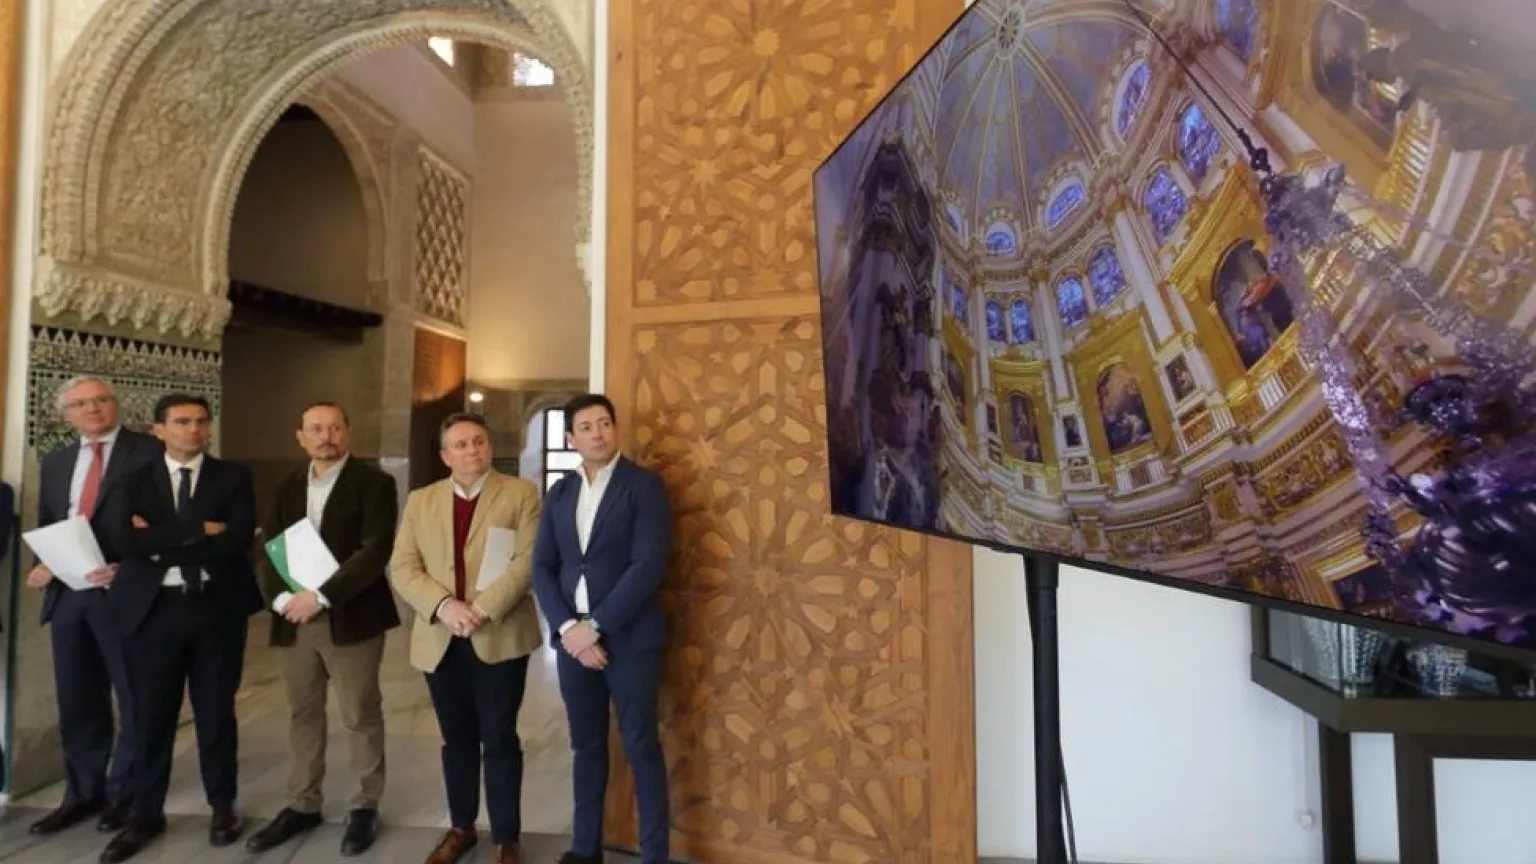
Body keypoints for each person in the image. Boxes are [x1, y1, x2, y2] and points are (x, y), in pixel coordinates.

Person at [98, 393, 264, 864]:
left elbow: (237, 539)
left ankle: (222, 806)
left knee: (216, 713)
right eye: (182, 421)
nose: (194, 429)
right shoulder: (132, 478)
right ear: (159, 429)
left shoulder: (233, 477)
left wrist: (160, 539)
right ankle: (145, 813)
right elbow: (123, 540)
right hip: (152, 612)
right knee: (150, 717)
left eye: (201, 421)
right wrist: (199, 530)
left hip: (216, 608)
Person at [244, 403, 400, 857]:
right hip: (294, 620)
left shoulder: (375, 483)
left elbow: (374, 551)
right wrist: (280, 601)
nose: (325, 436)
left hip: (352, 616)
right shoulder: (286, 487)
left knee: (359, 712)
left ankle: (364, 805)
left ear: (347, 432)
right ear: (301, 437)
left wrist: (322, 596)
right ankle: (303, 803)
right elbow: (268, 550)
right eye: (315, 429)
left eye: (334, 427)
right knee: (303, 713)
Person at [388, 412, 543, 864]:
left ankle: (506, 837)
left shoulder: (521, 493)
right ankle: (461, 827)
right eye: (460, 444)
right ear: (444, 456)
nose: (472, 450)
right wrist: (443, 606)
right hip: (440, 638)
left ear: (489, 447)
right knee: (455, 738)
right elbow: (403, 566)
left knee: (499, 737)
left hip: (499, 633)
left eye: (479, 441)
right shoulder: (421, 501)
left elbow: (528, 560)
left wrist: (481, 608)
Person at [532, 394, 673, 864]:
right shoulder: (560, 493)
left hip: (631, 640)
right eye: (586, 427)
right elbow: (542, 566)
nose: (598, 433)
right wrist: (568, 628)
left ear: (615, 429)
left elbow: (647, 565)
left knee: (640, 744)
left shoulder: (644, 486)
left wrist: (596, 626)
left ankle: (654, 855)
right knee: (586, 745)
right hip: (574, 643)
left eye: (605, 423)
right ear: (571, 438)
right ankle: (585, 848)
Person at [25, 376, 161, 837]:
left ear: (115, 404)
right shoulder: (56, 461)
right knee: (78, 700)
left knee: (136, 699)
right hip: (69, 595)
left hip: (127, 594)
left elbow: (168, 524)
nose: (93, 409)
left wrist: (132, 567)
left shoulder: (150, 452)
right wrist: (42, 564)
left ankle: (127, 796)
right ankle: (83, 794)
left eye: (101, 400)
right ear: (67, 415)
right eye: (81, 404)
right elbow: (51, 521)